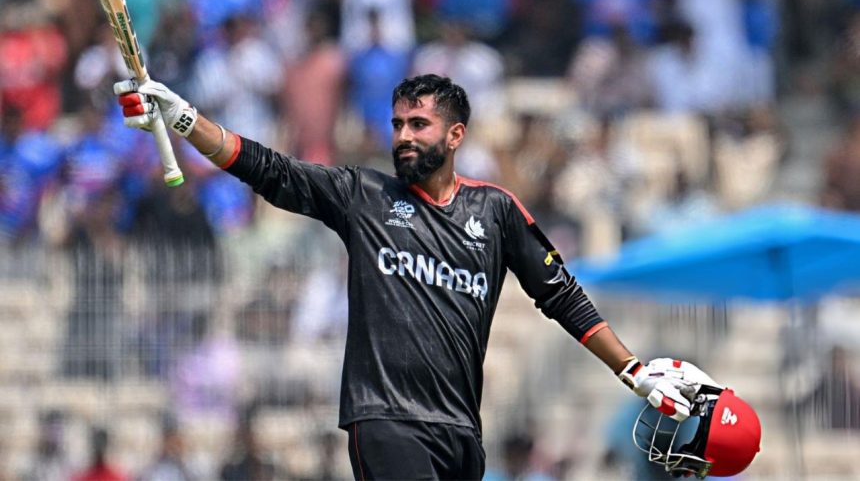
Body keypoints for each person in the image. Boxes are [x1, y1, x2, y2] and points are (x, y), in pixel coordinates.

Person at [113, 73, 722, 479]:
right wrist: (186, 120)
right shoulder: (363, 195)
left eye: (418, 125)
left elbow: (561, 295)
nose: (403, 136)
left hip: (461, 432)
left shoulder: (497, 211)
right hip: (386, 419)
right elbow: (269, 169)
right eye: (398, 124)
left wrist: (632, 369)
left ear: (455, 135)